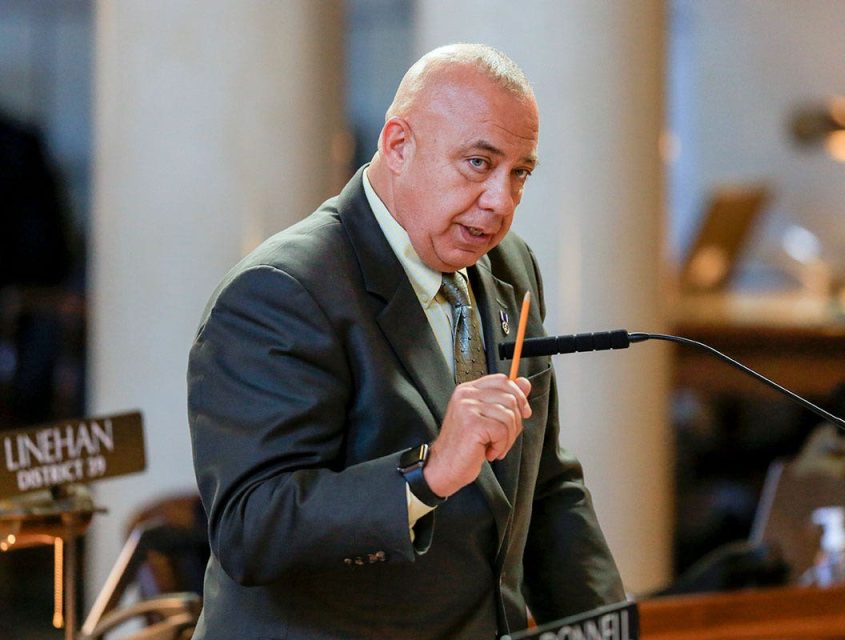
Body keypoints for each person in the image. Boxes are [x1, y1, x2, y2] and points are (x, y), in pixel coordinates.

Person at [187, 43, 625, 639]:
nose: (501, 202)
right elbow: (251, 529)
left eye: (519, 173)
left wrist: (604, 627)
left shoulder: (510, 265)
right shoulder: (282, 290)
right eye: (478, 163)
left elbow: (543, 485)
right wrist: (427, 474)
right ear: (398, 146)